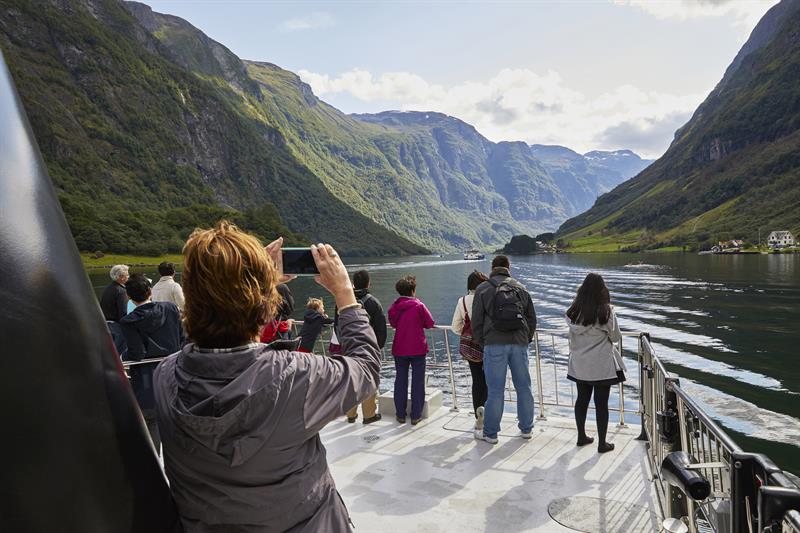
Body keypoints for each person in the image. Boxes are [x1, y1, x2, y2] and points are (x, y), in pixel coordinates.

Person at [153, 222, 380, 532]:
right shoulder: (295, 376)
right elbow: (365, 368)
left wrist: (252, 287)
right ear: (265, 306)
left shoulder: (165, 377)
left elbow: (215, 345)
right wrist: (345, 294)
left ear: (189, 298)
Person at [471, 255, 536, 444]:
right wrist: (526, 339)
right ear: (509, 267)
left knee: (495, 391)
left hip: (493, 344)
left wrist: (485, 342)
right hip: (519, 343)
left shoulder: (483, 289)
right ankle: (526, 429)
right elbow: (531, 319)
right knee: (524, 387)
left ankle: (491, 434)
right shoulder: (520, 287)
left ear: (493, 268)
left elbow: (477, 322)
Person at [119, 273, 184, 453]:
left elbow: (137, 353)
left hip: (147, 377)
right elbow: (182, 338)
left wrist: (123, 358)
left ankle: (155, 462)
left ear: (129, 296)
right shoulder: (171, 309)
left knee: (151, 419)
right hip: (174, 371)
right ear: (150, 292)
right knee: (174, 416)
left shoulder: (128, 322)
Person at [566, 273, 625, 454]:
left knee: (581, 400)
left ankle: (581, 436)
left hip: (579, 364)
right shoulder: (605, 311)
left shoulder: (573, 311)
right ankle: (602, 443)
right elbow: (615, 337)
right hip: (601, 365)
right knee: (602, 404)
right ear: (602, 289)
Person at [388, 275, 434, 425]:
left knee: (400, 380)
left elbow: (393, 323)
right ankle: (415, 415)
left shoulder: (394, 307)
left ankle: (400, 414)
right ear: (413, 290)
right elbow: (430, 323)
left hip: (400, 348)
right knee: (418, 382)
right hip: (418, 349)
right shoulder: (419, 306)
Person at [344, 269, 387, 424]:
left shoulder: (344, 301)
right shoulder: (373, 303)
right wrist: (377, 347)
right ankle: (369, 415)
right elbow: (381, 330)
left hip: (348, 348)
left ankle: (350, 414)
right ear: (369, 283)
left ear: (354, 283)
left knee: (351, 381)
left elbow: (338, 325)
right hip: (369, 349)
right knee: (369, 380)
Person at [451, 270, 489, 430]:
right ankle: (488, 413)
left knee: (476, 380)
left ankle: (477, 416)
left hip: (472, 348)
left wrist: (467, 334)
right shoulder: (488, 297)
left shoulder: (463, 301)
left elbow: (455, 327)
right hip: (489, 344)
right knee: (489, 381)